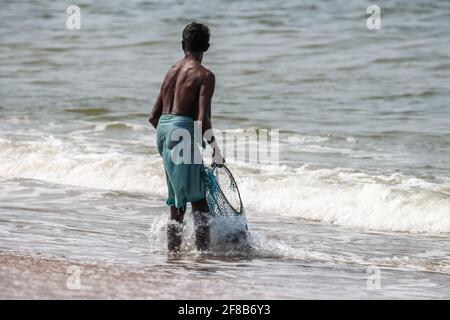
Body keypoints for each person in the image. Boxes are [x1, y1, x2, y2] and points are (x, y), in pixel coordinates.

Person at [149, 22, 225, 253]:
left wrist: (170, 137)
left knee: (176, 199)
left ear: (183, 45)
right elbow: (203, 120)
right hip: (181, 130)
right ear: (207, 47)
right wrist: (216, 151)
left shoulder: (171, 71)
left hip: (164, 129)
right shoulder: (205, 75)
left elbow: (153, 116)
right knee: (199, 201)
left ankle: (174, 253)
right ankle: (202, 256)